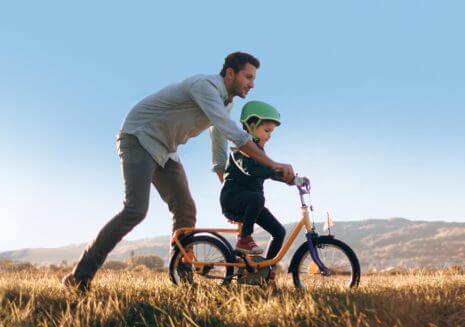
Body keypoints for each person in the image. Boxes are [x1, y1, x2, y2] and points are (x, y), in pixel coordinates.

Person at [62, 52, 295, 292]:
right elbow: (232, 131)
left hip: (166, 150)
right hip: (138, 137)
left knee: (186, 209)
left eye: (254, 78)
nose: (252, 84)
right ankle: (80, 276)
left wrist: (220, 171)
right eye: (248, 77)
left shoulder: (226, 101)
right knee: (135, 210)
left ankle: (181, 273)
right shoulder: (204, 87)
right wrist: (273, 164)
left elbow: (218, 132)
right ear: (230, 73)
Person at [219, 101, 289, 259]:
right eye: (266, 130)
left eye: (271, 132)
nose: (269, 136)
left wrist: (289, 179)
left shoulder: (260, 151)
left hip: (252, 202)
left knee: (279, 232)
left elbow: (265, 171)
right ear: (251, 125)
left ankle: (268, 270)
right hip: (233, 199)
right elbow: (250, 169)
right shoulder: (240, 147)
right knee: (258, 198)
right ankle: (244, 239)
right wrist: (276, 170)